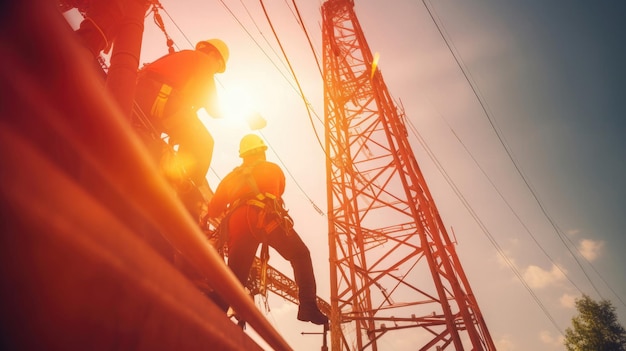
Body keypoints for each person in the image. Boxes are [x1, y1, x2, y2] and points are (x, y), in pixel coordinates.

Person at [207, 134, 328, 325]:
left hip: (237, 222)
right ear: (262, 151)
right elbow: (277, 191)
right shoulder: (271, 168)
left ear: (243, 155)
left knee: (234, 279)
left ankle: (210, 311)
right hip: (265, 218)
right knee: (300, 255)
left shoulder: (231, 177)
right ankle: (307, 306)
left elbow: (214, 209)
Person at [134, 39, 229, 218]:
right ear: (214, 55)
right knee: (204, 142)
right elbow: (214, 109)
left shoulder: (185, 57)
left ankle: (171, 176)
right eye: (218, 66)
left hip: (143, 97)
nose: (215, 70)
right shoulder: (204, 61)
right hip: (162, 100)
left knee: (173, 138)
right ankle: (188, 191)